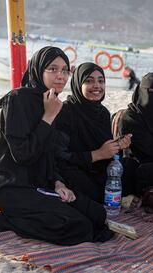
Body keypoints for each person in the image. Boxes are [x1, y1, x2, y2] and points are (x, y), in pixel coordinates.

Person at [0, 47, 113, 245]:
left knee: (98, 215)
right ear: (39, 69)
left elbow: (50, 154)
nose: (60, 76)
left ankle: (24, 216)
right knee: (80, 227)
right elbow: (23, 155)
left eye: (64, 70)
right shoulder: (17, 100)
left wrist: (58, 183)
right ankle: (5, 221)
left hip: (43, 184)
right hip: (15, 189)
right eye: (52, 69)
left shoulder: (52, 101)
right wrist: (48, 116)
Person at [55, 62, 132, 203]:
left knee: (132, 170)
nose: (97, 86)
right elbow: (59, 156)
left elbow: (105, 149)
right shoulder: (66, 112)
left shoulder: (102, 113)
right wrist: (97, 154)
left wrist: (118, 146)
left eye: (101, 81)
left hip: (97, 170)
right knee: (85, 186)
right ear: (78, 84)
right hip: (73, 170)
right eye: (89, 81)